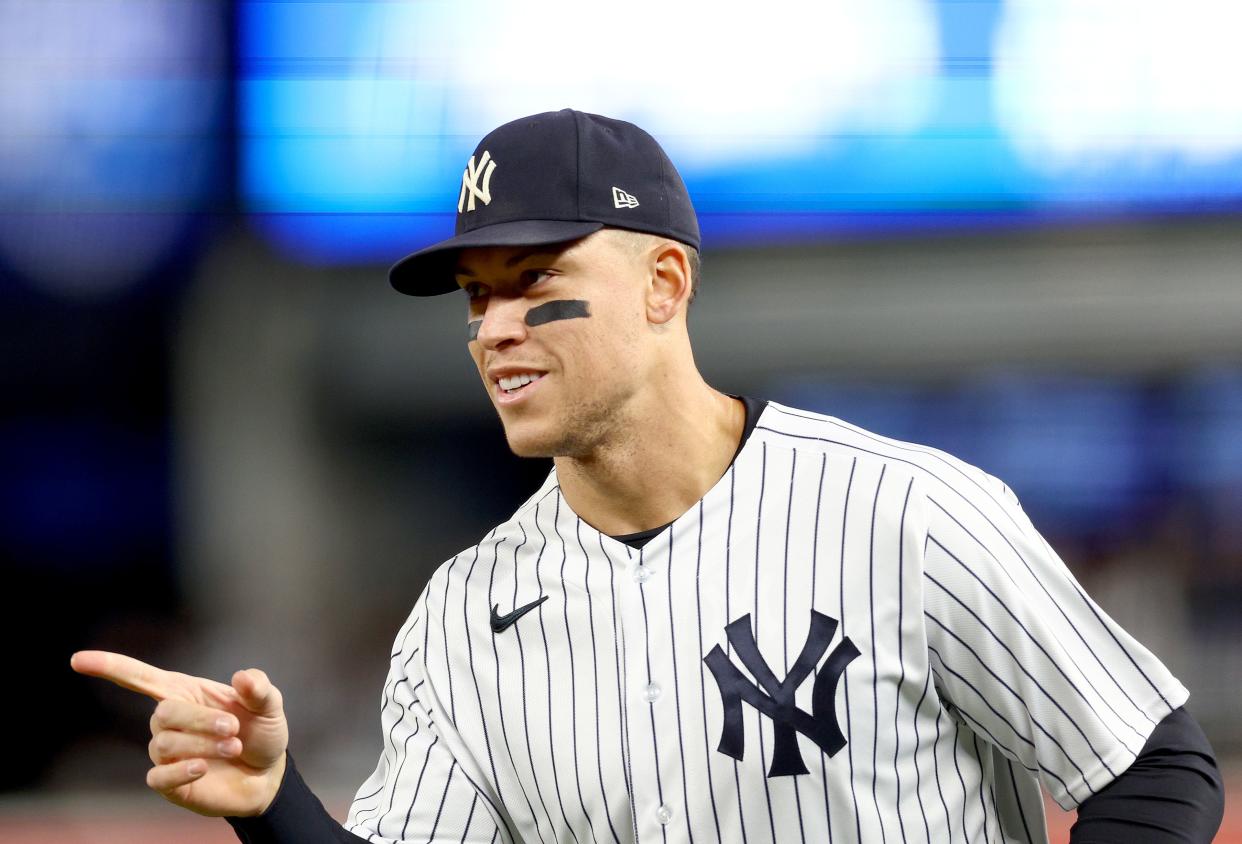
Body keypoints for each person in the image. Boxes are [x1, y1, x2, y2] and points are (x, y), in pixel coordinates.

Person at [73, 109, 1223, 843]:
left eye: (535, 279)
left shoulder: (907, 513)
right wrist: (274, 806)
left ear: (665, 285)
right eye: (478, 297)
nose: (496, 330)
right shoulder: (465, 618)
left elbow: (1157, 774)